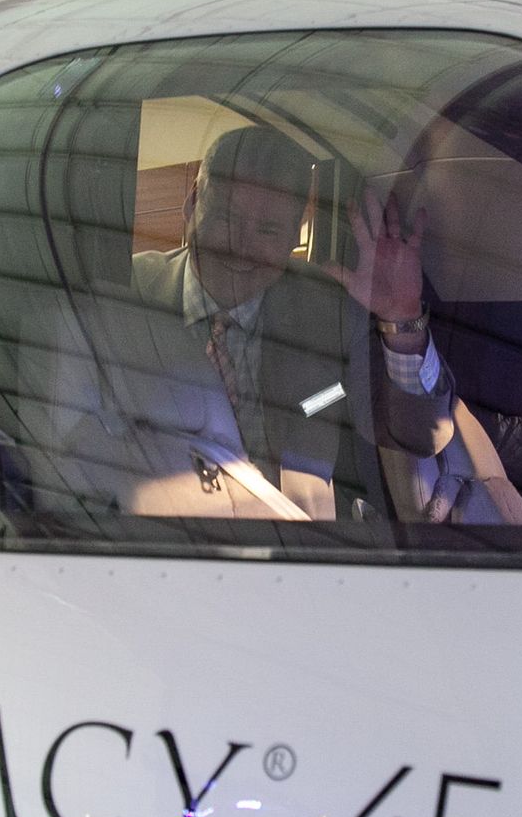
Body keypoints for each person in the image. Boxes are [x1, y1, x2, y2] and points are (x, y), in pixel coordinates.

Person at [29, 125, 458, 521]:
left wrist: (402, 319)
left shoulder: (327, 313)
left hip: (295, 548)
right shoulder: (119, 297)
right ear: (191, 205)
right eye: (226, 218)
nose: (241, 248)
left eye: (269, 230)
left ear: (296, 236)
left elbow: (419, 435)